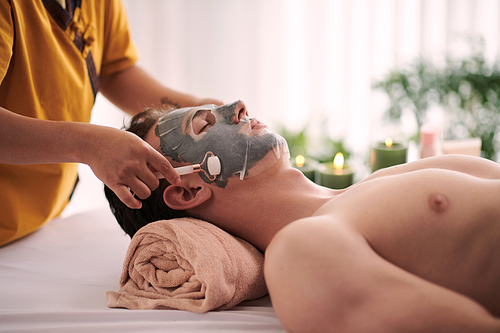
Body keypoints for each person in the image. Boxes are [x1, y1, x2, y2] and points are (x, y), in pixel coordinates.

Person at [105, 100, 500, 332]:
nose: (238, 105)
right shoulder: (301, 253)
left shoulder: (377, 183)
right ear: (189, 189)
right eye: (203, 124)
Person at [0, 0, 222, 246]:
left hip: (39, 220)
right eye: (202, 129)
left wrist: (194, 106)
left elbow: (113, 70)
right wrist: (88, 144)